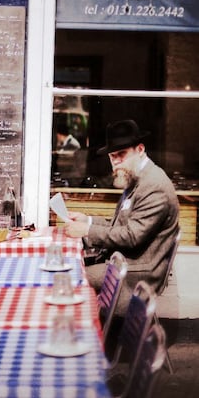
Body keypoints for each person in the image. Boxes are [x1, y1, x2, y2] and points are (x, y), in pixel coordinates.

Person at [64, 119, 179, 313]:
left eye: (122, 154)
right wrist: (88, 220)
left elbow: (132, 236)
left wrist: (87, 231)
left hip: (137, 272)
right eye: (112, 156)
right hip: (123, 260)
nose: (116, 161)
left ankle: (75, 332)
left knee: (67, 277)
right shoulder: (137, 177)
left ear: (140, 149)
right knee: (66, 267)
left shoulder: (154, 185)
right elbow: (120, 224)